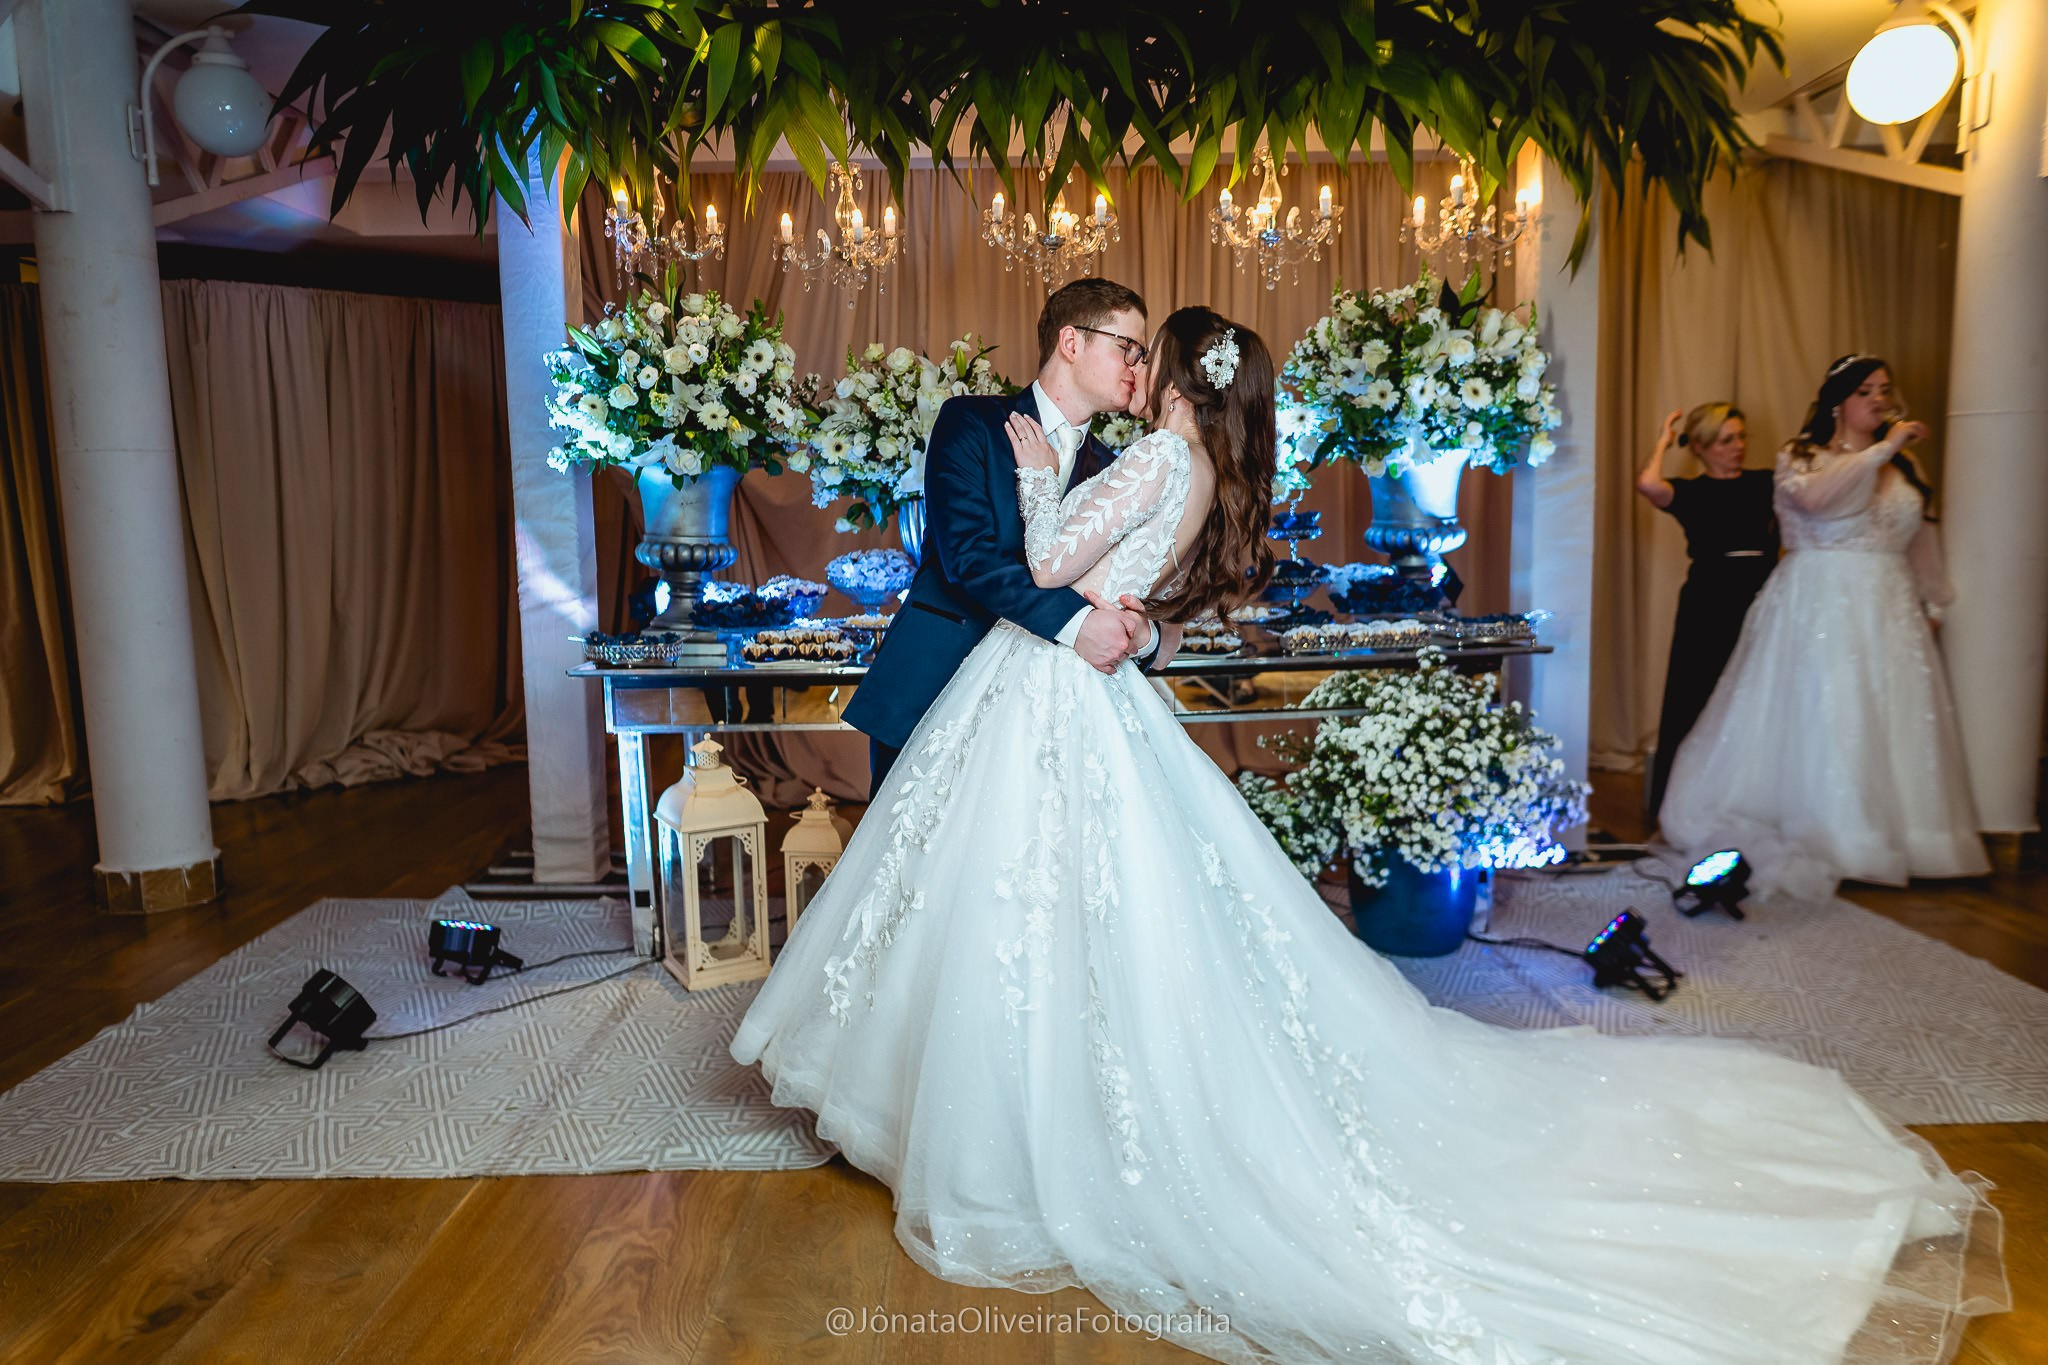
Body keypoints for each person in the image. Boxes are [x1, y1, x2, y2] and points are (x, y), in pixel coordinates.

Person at [734, 319, 2003, 1364]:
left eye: (1143, 359)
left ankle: (1013, 1116)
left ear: (1170, 376)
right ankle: (1013, 1091)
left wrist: (1028, 482)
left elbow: (1038, 555)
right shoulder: (1202, 474)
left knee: (1041, 900)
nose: (1129, 378)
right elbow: (1115, 584)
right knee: (1071, 905)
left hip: (1058, 697)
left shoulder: (1150, 463)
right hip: (1073, 696)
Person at [1660, 354, 1991, 891]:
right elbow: (1822, 501)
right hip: (1818, 599)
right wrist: (1885, 447)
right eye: (1867, 391)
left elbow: (1922, 534)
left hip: (1889, 603)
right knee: (1828, 710)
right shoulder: (1801, 456)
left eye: (1885, 390)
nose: (1880, 400)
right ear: (1839, 401)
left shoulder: (1906, 465)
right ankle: (1834, 832)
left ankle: (1907, 835)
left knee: (1892, 719)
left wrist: (1934, 601)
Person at [843, 277, 1180, 799]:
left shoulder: (1118, 471)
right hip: (935, 683)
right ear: (1072, 343)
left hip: (1038, 715)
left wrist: (1142, 632)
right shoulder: (971, 423)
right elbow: (969, 559)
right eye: (1127, 348)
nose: (1138, 367)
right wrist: (1078, 625)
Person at [1635, 402, 1779, 816]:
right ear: (1700, 446)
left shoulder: (1766, 482)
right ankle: (1678, 801)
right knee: (1694, 694)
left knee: (1755, 692)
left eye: (1741, 437)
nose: (1738, 447)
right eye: (1725, 440)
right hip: (1710, 600)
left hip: (1762, 594)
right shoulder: (1692, 491)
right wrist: (1664, 441)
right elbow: (1648, 483)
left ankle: (1747, 797)